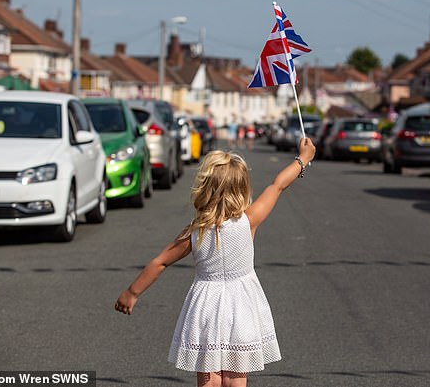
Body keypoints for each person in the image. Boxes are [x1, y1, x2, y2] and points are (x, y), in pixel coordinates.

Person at [115, 138, 317, 387]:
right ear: (242, 188)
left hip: (206, 306)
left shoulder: (194, 231)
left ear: (204, 187)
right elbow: (277, 186)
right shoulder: (248, 220)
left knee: (209, 380)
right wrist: (303, 159)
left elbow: (160, 263)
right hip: (241, 305)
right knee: (235, 379)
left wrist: (131, 292)